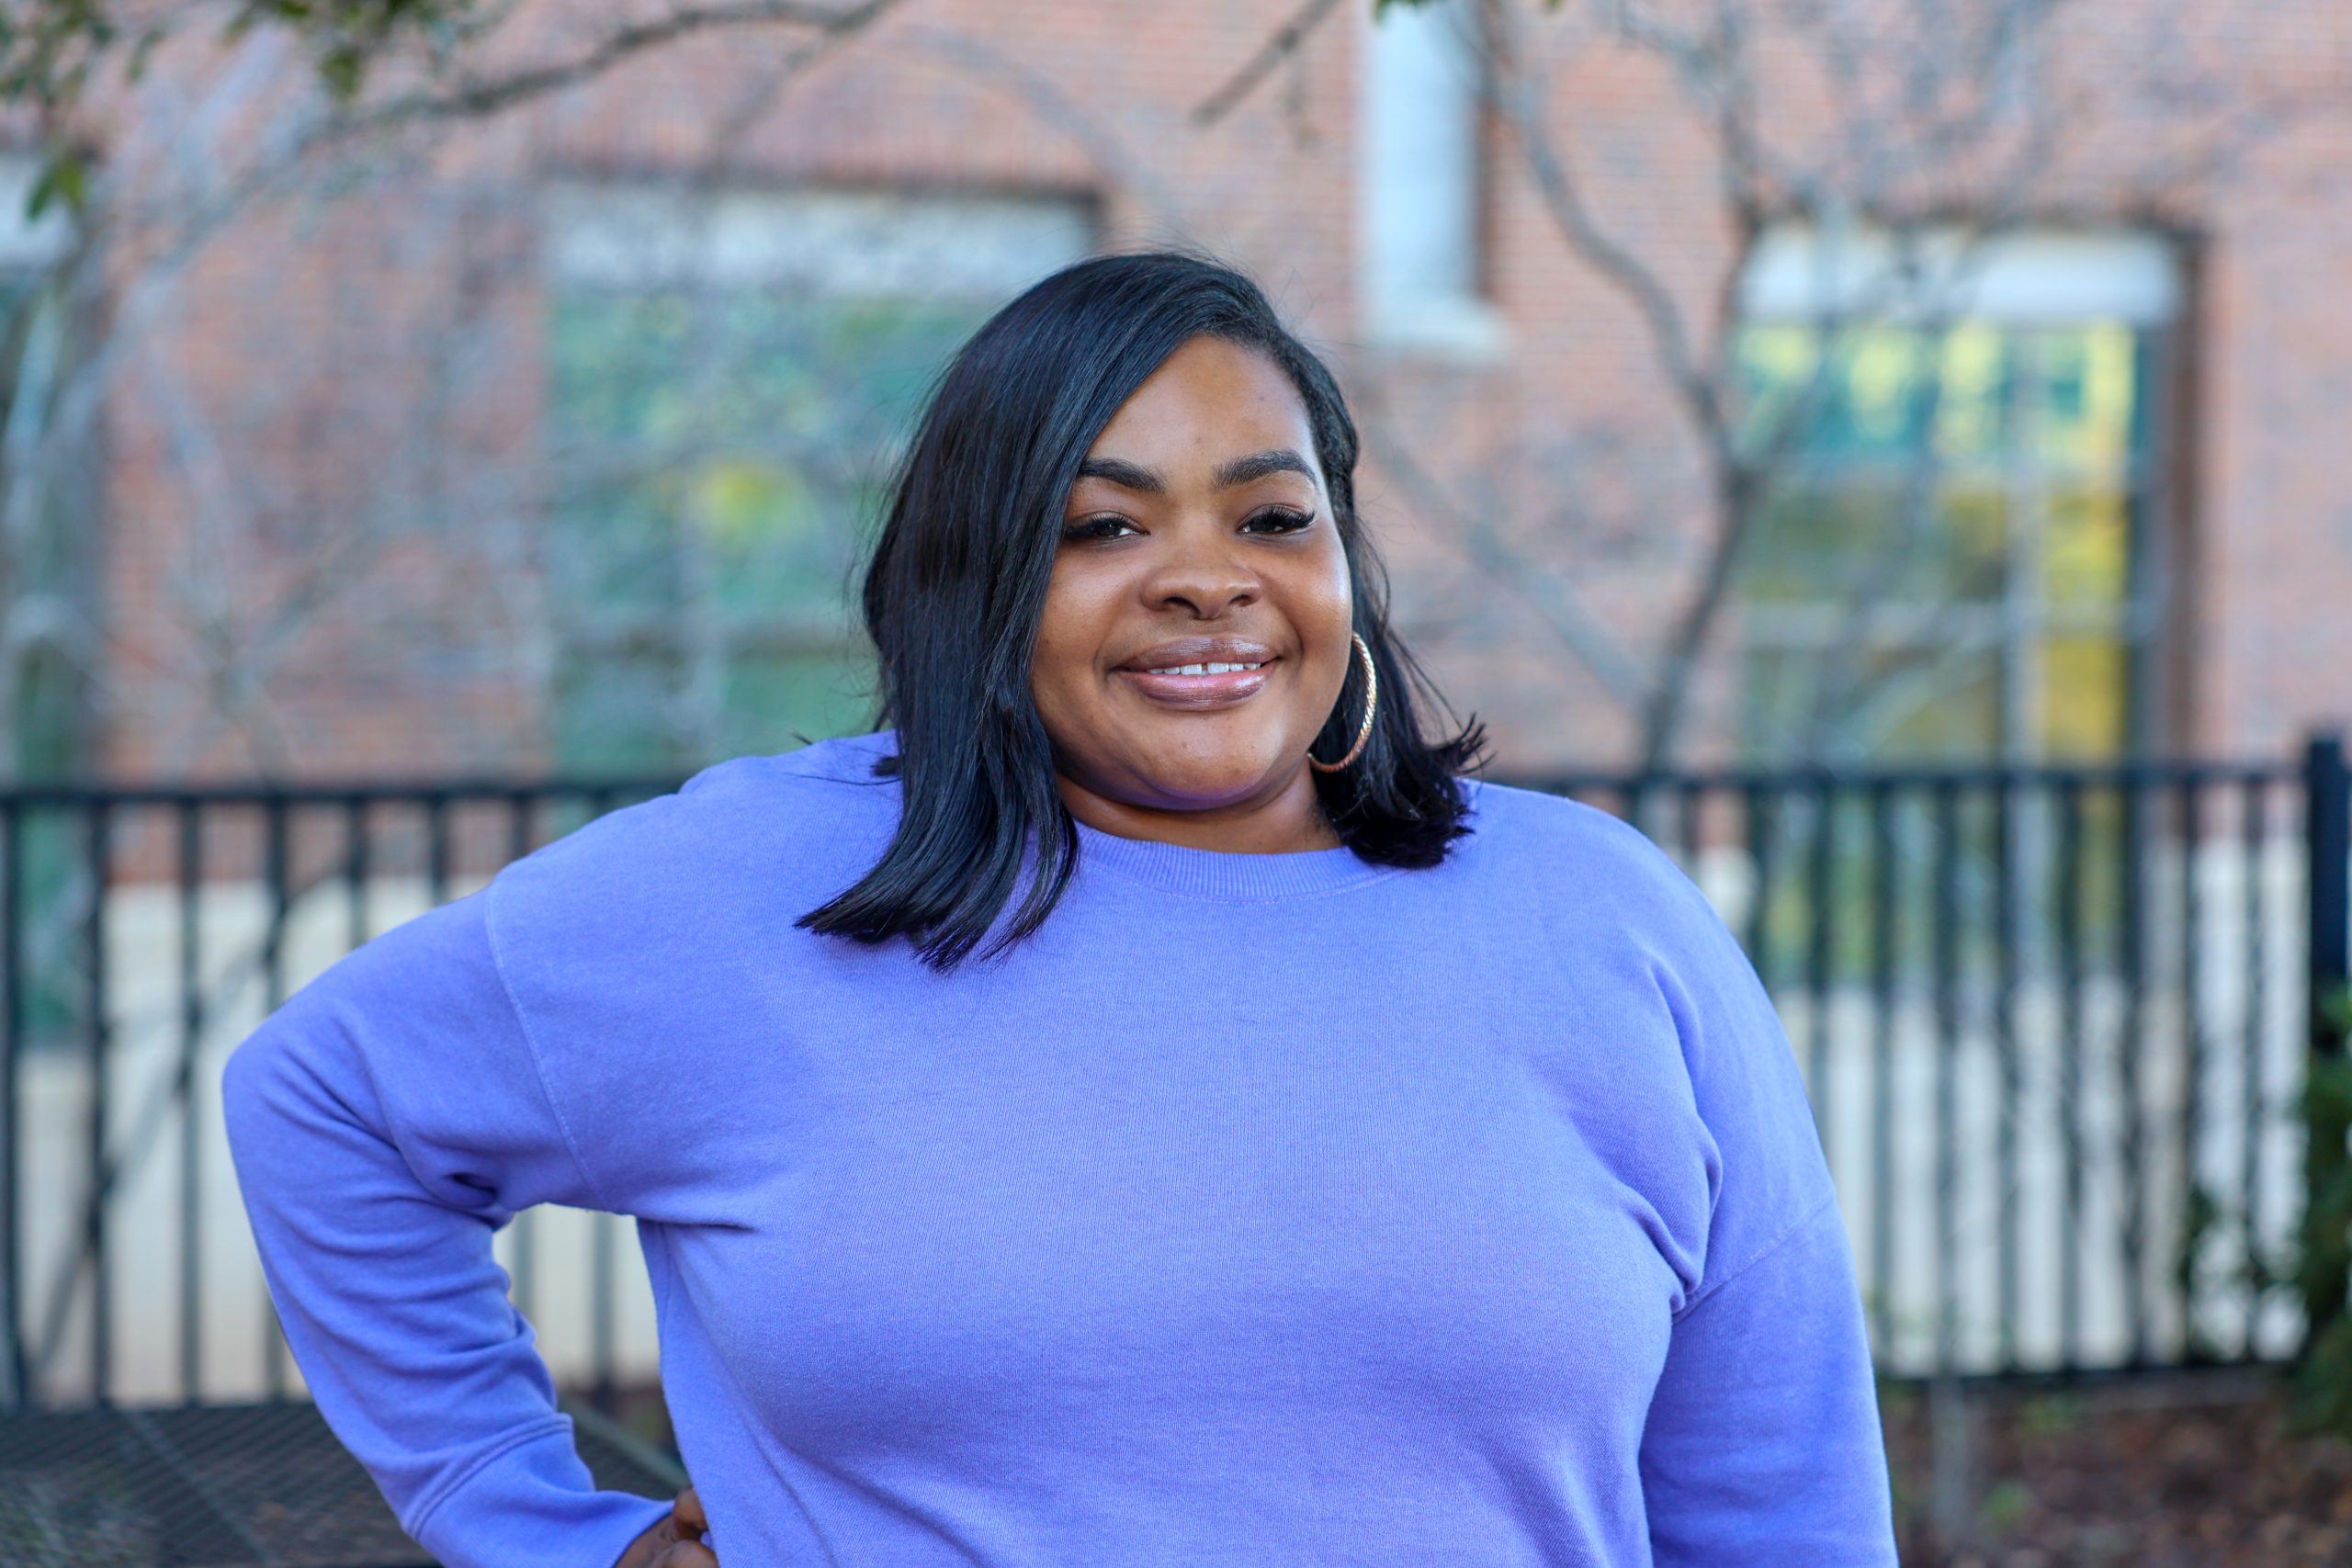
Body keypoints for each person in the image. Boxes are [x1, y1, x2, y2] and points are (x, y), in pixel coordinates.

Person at [222, 249, 1898, 1568]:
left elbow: (1780, 1498)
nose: (1206, 575)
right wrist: (536, 1535)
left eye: (1271, 515)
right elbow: (324, 1109)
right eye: (1103, 524)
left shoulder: (1601, 921)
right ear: (976, 583)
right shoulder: (748, 898)